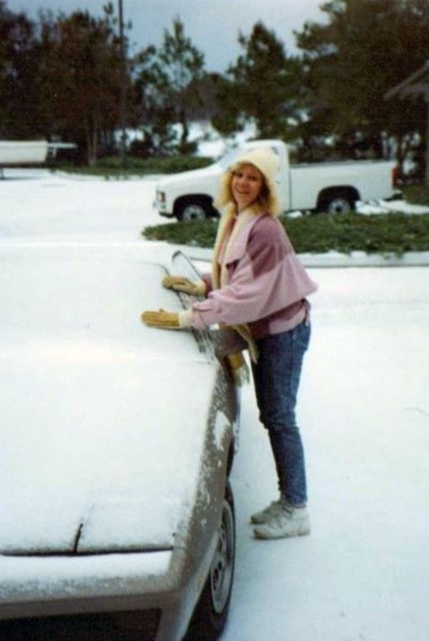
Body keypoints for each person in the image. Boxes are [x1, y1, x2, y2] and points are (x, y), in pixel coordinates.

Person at [141, 146, 318, 540]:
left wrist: (191, 316)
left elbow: (250, 294)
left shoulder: (266, 228)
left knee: (280, 418)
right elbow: (235, 274)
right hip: (264, 329)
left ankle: (296, 508)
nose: (243, 183)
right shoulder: (237, 216)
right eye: (239, 174)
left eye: (253, 178)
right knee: (272, 416)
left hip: (283, 332)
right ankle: (289, 498)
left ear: (265, 187)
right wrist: (202, 283)